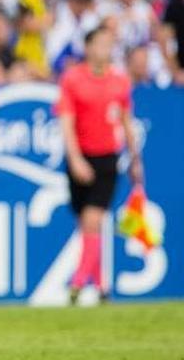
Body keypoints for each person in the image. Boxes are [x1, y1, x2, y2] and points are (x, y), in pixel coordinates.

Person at [56, 26, 142, 305]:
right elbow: (66, 123)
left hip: (107, 158)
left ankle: (78, 283)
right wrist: (75, 159)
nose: (106, 49)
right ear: (89, 46)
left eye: (110, 43)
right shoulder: (72, 79)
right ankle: (103, 286)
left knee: (94, 219)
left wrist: (135, 158)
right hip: (81, 156)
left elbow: (127, 121)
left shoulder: (119, 81)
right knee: (85, 223)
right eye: (101, 43)